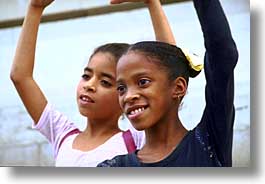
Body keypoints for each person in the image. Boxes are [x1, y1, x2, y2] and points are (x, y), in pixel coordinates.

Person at [10, 0, 175, 166]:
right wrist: (35, 8)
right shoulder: (62, 135)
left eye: (105, 82)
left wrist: (153, 3)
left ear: (124, 95)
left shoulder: (136, 140)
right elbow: (20, 77)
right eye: (86, 76)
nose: (89, 85)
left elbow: (170, 71)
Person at [98, 0, 239, 167]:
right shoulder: (113, 168)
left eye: (143, 82)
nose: (128, 96)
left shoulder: (209, 141)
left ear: (178, 87)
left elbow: (222, 55)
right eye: (121, 88)